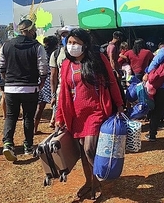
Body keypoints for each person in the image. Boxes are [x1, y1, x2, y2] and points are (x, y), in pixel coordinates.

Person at [55, 28, 124, 200]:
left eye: (76, 43)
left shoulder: (98, 59)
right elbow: (63, 92)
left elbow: (112, 82)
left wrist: (119, 104)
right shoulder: (66, 65)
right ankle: (89, 181)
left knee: (90, 149)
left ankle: (100, 183)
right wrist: (59, 117)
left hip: (96, 111)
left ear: (85, 45)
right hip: (76, 114)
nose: (72, 46)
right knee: (82, 151)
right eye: (70, 43)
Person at [0, 17, 48, 161]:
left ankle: (8, 143)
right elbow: (42, 67)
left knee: (11, 116)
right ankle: (28, 145)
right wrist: (42, 81)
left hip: (11, 88)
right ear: (31, 30)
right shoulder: (37, 46)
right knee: (28, 117)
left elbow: (1, 66)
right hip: (30, 88)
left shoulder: (6, 45)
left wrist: (7, 80)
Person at [49, 26, 73, 128]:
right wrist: (53, 95)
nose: (65, 37)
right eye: (63, 35)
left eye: (67, 34)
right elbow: (53, 77)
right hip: (61, 91)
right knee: (60, 121)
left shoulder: (80, 52)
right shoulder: (56, 54)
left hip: (76, 90)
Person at [34, 35, 58, 134]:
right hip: (53, 80)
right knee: (56, 105)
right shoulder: (56, 53)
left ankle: (34, 129)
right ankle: (56, 128)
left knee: (40, 107)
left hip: (42, 80)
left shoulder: (41, 52)